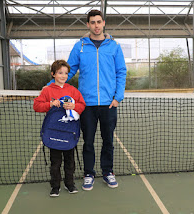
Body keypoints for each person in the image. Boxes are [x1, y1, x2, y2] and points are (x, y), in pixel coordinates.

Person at [47, 9, 127, 191]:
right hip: (86, 105)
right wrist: (50, 86)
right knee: (88, 142)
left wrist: (117, 97)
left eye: (99, 22)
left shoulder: (114, 46)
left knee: (108, 141)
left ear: (104, 23)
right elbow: (68, 70)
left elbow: (121, 72)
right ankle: (89, 174)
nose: (96, 25)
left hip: (109, 104)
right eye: (92, 22)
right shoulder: (80, 46)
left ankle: (108, 172)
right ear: (88, 24)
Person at [34, 60, 86, 197]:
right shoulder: (47, 90)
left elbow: (82, 105)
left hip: (69, 132)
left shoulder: (73, 90)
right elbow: (37, 106)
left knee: (70, 160)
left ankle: (70, 184)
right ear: (53, 74)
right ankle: (55, 186)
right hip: (54, 131)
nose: (63, 76)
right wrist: (50, 104)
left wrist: (74, 107)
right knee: (55, 161)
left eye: (66, 73)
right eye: (60, 73)